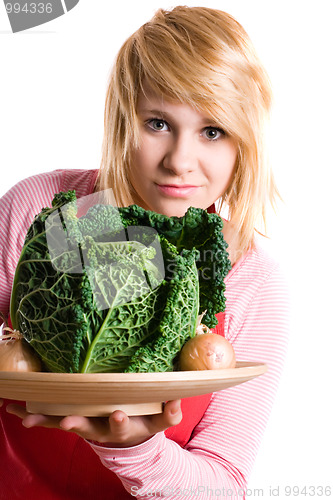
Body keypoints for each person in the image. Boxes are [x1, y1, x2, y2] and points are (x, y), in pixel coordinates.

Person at [0, 6, 289, 499]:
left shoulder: (253, 282)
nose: (179, 161)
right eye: (157, 123)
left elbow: (224, 485)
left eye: (212, 131)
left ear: (246, 143)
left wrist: (135, 449)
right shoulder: (38, 209)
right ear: (121, 121)